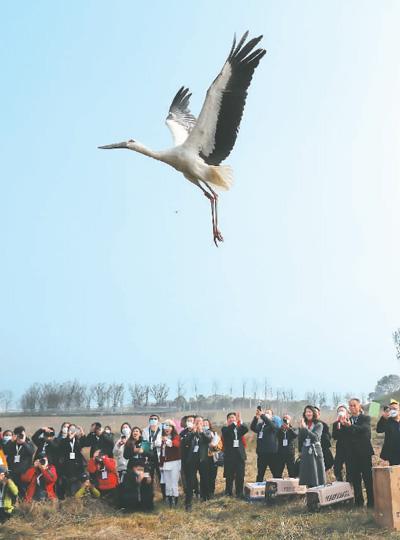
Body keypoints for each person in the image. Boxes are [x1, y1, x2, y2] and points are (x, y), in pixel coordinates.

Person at [340, 398, 374, 507]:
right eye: (350, 406)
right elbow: (343, 437)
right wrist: (341, 426)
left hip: (364, 453)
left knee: (367, 478)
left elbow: (365, 431)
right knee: (355, 478)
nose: (352, 407)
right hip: (351, 454)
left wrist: (350, 426)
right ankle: (359, 502)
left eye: (354, 405)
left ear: (359, 406)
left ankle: (371, 502)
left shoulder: (365, 418)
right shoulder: (346, 420)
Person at [183, 416, 212, 510]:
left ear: (203, 423)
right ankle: (188, 503)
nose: (198, 423)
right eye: (197, 421)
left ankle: (205, 498)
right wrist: (194, 432)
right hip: (192, 460)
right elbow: (186, 442)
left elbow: (208, 439)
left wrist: (201, 431)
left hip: (203, 459)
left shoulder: (206, 431)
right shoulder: (190, 432)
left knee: (204, 479)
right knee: (190, 481)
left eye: (200, 421)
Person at [221, 411, 248, 498]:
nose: (232, 419)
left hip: (240, 456)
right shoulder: (225, 429)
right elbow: (227, 433)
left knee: (240, 475)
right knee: (229, 476)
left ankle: (239, 493)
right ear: (227, 420)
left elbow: (245, 429)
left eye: (233, 418)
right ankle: (228, 492)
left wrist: (240, 420)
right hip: (229, 456)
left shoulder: (238, 429)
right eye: (230, 418)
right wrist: (233, 424)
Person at [298, 405, 326, 488]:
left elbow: (315, 437)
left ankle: (318, 493)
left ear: (313, 413)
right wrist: (301, 429)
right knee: (307, 475)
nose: (308, 413)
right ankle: (309, 493)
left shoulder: (319, 424)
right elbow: (301, 439)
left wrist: (305, 428)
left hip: (315, 451)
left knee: (316, 474)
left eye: (310, 411)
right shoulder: (304, 424)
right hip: (306, 450)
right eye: (306, 412)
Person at [250, 407, 281, 480]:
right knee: (260, 473)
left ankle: (278, 488)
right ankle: (258, 488)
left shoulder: (273, 424)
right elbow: (253, 428)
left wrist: (263, 415)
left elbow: (272, 425)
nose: (266, 414)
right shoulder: (261, 425)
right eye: (265, 412)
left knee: (276, 473)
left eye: (268, 413)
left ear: (272, 416)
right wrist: (256, 418)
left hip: (272, 453)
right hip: (261, 453)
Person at [4, 426, 35, 498]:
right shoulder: (13, 443)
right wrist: (11, 441)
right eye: (18, 435)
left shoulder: (28, 442)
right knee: (12, 490)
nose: (20, 436)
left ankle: (22, 504)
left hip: (24, 472)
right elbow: (5, 451)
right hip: (13, 471)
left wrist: (23, 442)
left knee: (23, 490)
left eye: (21, 434)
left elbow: (31, 452)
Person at [56, 423, 86, 497]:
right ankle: (66, 495)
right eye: (70, 429)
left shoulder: (77, 440)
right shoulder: (64, 440)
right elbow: (62, 447)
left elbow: (85, 443)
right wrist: (69, 438)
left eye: (73, 429)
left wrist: (82, 433)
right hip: (67, 464)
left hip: (77, 464)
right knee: (67, 481)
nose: (72, 431)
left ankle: (75, 496)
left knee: (76, 482)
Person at [159, 420, 181, 508]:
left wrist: (167, 440)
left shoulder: (176, 436)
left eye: (169, 426)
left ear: (172, 428)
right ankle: (169, 499)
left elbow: (176, 445)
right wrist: (161, 464)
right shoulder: (163, 439)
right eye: (165, 426)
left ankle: (175, 499)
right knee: (167, 482)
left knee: (174, 482)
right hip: (166, 463)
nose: (167, 428)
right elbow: (162, 453)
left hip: (175, 462)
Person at [142, 414, 164, 497]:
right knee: (148, 477)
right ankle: (149, 496)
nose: (153, 420)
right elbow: (144, 444)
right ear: (149, 420)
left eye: (155, 419)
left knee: (161, 476)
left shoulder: (162, 430)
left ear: (158, 421)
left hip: (159, 455)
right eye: (151, 418)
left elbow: (162, 442)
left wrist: (155, 443)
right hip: (149, 456)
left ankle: (165, 495)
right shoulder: (145, 430)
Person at [377, 400, 400, 465]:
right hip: (393, 454)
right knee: (395, 473)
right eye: (390, 409)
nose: (392, 411)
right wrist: (383, 418)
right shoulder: (387, 421)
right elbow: (379, 430)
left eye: (395, 409)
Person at [204, 418, 222, 498]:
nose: (205, 425)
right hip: (203, 457)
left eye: (206, 424)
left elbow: (220, 445)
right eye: (203, 424)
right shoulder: (200, 433)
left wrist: (214, 446)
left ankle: (211, 492)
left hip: (213, 457)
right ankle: (204, 493)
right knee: (205, 476)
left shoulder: (214, 433)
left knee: (212, 476)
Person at [332, 405, 349, 481]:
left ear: (346, 413)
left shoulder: (350, 421)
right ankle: (340, 483)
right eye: (339, 411)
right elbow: (334, 437)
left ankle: (350, 484)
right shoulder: (335, 424)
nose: (341, 412)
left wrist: (345, 424)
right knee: (337, 467)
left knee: (350, 468)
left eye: (342, 410)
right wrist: (338, 426)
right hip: (340, 448)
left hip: (350, 448)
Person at [314, 406, 334, 471]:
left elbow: (328, 436)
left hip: (322, 449)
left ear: (319, 414)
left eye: (316, 412)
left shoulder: (324, 425)